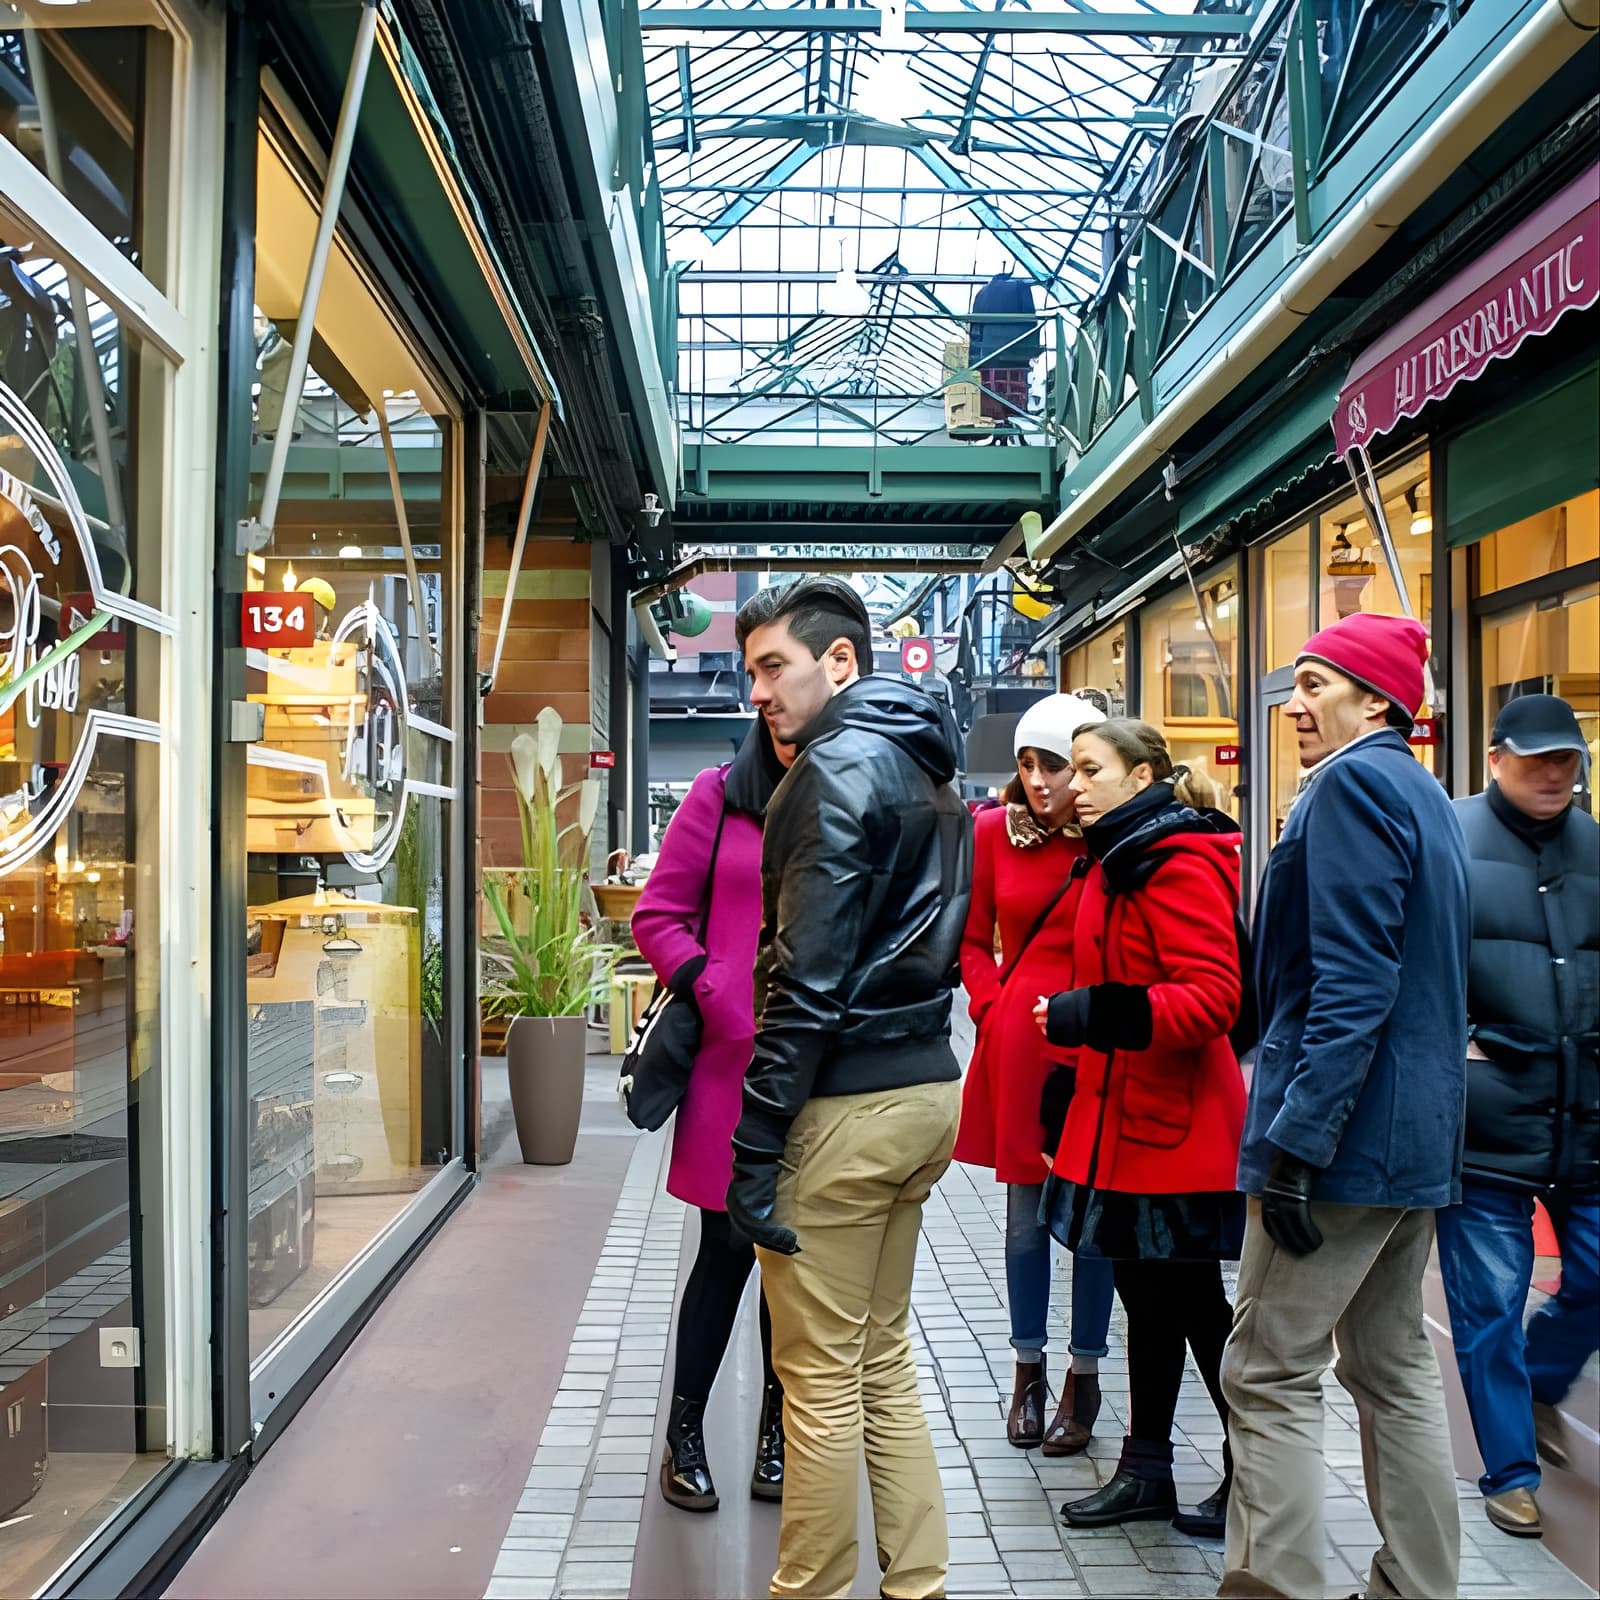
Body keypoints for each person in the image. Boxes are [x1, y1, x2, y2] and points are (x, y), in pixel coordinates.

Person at [725, 576, 973, 1600]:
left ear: (840, 662)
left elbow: (804, 975)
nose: (757, 693)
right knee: (879, 1362)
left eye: (774, 666)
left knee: (818, 1380)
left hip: (843, 1105)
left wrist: (755, 1139)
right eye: (748, 672)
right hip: (922, 1087)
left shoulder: (829, 773)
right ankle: (916, 1585)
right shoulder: (929, 768)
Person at [1220, 612, 1468, 1600]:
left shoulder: (1353, 786)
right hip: (1410, 1136)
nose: (1294, 703)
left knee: (1268, 1370)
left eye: (1317, 683)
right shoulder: (1425, 794)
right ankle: (1416, 1585)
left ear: (1377, 701)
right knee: (1391, 1364)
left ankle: (1268, 1587)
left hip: (1341, 1136)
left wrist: (1296, 1140)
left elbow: (1352, 982)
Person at [1033, 718, 1245, 1540]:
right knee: (1145, 1298)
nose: (1071, 785)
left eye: (1090, 770)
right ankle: (1147, 1471)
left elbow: (1214, 998)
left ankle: (1250, 1473)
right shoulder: (1115, 855)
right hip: (1120, 1122)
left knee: (1193, 1303)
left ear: (1144, 774)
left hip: (1176, 1132)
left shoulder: (1175, 861)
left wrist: (1097, 1015)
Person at [1436, 694, 1599, 1539]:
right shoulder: (1452, 839)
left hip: (1589, 1116)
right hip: (1487, 1126)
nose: (1552, 774)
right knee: (1488, 1304)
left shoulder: (1597, 845)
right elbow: (1417, 962)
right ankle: (1509, 1470)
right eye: (1536, 759)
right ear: (1494, 757)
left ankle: (1542, 1381)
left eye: (1566, 760)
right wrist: (1454, 1043)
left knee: (1598, 1279)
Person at [632, 715, 795, 1512]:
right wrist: (712, 984)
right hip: (727, 1069)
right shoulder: (718, 796)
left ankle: (779, 1433)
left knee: (790, 1263)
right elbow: (656, 916)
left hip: (815, 1071)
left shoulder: (845, 797)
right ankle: (684, 1435)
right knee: (726, 1252)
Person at [954, 693, 1118, 1455]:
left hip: (1095, 1036)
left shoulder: (1113, 835)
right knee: (1025, 1221)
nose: (1039, 778)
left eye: (1052, 762)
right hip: (1021, 1041)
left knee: (1090, 1221)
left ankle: (1084, 1380)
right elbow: (971, 940)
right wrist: (993, 1007)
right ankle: (1028, 1373)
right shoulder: (993, 831)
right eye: (1026, 763)